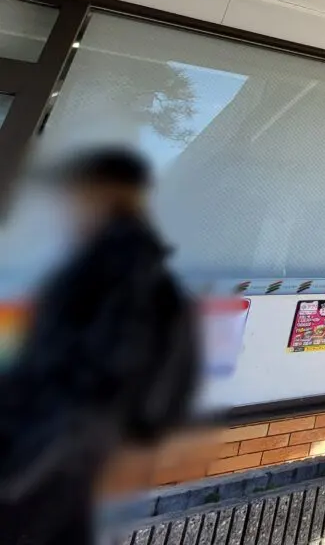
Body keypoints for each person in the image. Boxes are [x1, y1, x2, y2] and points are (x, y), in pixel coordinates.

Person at [0, 147, 199, 545]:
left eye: (79, 194)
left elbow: (102, 367)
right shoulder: (103, 264)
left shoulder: (121, 271)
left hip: (54, 440)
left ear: (110, 195)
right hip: (62, 439)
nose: (69, 208)